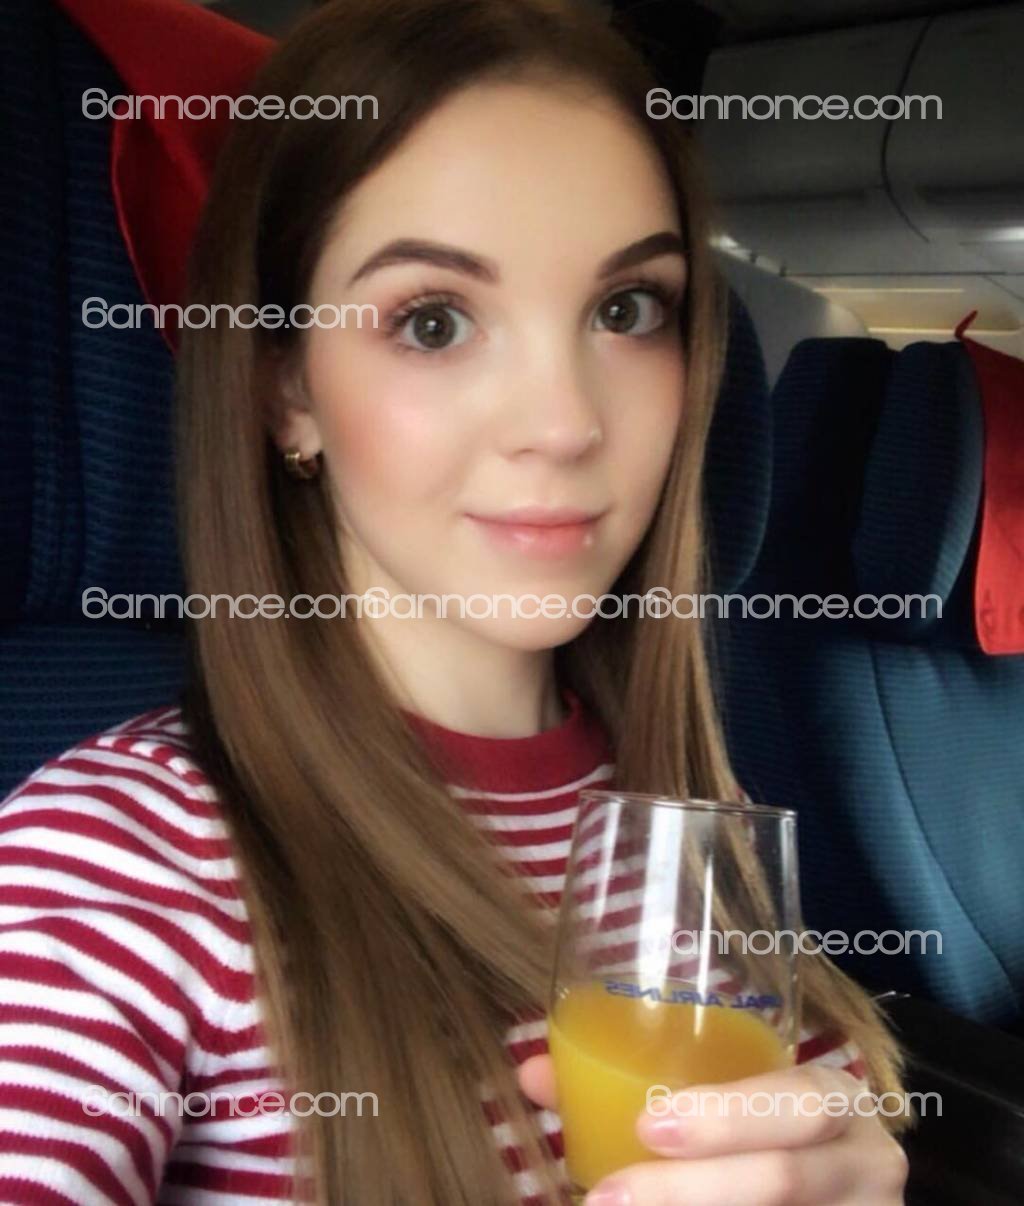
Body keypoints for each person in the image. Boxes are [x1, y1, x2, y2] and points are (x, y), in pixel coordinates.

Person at [0, 0, 910, 1202]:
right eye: (432, 322)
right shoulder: (110, 866)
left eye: (627, 310)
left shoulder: (698, 831)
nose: (564, 423)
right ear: (288, 393)